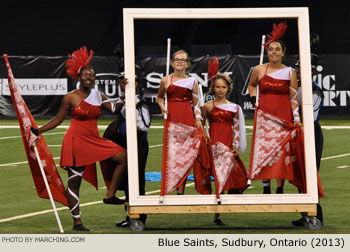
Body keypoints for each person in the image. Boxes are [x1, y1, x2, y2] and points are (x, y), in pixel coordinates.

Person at [31, 47, 127, 231]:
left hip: (94, 140)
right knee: (75, 182)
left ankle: (109, 195)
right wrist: (39, 130)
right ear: (78, 77)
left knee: (123, 157)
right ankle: (77, 222)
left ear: (94, 78)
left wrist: (123, 92)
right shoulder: (70, 98)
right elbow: (58, 119)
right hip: (76, 142)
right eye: (85, 75)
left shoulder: (98, 95)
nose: (88, 77)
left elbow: (115, 109)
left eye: (91, 75)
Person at [248, 22, 304, 194]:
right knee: (266, 149)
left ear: (283, 52)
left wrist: (296, 118)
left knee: (281, 152)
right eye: (271, 49)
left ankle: (280, 188)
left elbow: (294, 97)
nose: (274, 52)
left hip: (283, 115)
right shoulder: (258, 69)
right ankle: (266, 187)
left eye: (277, 49)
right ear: (267, 52)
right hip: (265, 115)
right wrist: (253, 100)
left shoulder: (289, 73)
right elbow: (252, 86)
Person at [102, 67, 150, 228]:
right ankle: (130, 216)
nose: (124, 86)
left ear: (136, 83)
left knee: (138, 180)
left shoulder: (139, 103)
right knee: (127, 181)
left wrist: (130, 123)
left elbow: (145, 125)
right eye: (122, 83)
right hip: (125, 143)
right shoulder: (123, 100)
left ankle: (140, 218)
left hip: (138, 144)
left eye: (127, 83)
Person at [157, 49, 205, 196]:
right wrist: (162, 107)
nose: (179, 61)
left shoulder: (193, 81)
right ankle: (171, 186)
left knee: (186, 155)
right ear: (172, 62)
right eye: (177, 59)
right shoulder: (165, 80)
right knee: (173, 155)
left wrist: (198, 119)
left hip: (187, 120)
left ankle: (180, 190)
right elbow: (159, 97)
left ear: (187, 64)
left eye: (182, 60)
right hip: (172, 120)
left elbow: (196, 104)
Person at [202, 73, 247, 226]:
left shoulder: (234, 107)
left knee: (230, 175)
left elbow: (237, 128)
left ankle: (223, 207)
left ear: (228, 89)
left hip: (227, 144)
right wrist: (205, 135)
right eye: (217, 87)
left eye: (223, 87)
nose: (220, 90)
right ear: (213, 88)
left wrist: (236, 146)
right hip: (214, 144)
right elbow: (201, 125)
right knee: (218, 177)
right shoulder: (207, 106)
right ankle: (217, 213)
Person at [292, 56, 324, 226]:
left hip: (311, 132)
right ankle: (305, 213)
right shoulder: (295, 86)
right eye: (297, 66)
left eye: (301, 66)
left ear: (311, 70)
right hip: (298, 131)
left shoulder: (314, 90)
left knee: (310, 175)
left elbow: (309, 117)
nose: (298, 69)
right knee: (300, 174)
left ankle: (317, 215)